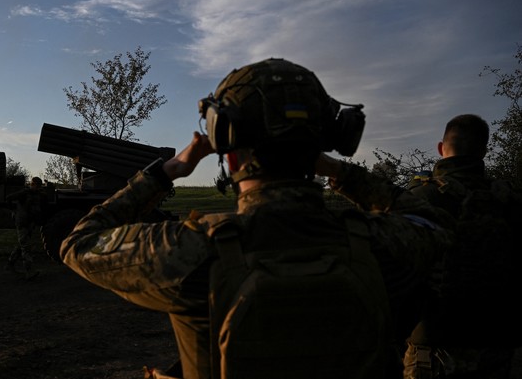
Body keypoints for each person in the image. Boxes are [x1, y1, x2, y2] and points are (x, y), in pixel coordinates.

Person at [60, 58, 451, 379]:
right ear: (331, 138)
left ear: (226, 147)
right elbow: (433, 223)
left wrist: (168, 171)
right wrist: (343, 173)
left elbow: (79, 243)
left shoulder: (188, 250)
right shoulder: (381, 244)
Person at [403, 114, 522, 379]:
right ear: (484, 151)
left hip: (433, 348)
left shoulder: (419, 198)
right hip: (499, 345)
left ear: (440, 148)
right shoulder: (511, 201)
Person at [5, 176, 46, 280]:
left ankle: (10, 264)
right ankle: (29, 271)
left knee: (21, 245)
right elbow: (9, 198)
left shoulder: (38, 195)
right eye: (34, 185)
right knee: (26, 247)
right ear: (31, 184)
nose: (35, 187)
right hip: (22, 222)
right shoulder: (24, 193)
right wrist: (15, 211)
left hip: (29, 223)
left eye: (37, 186)